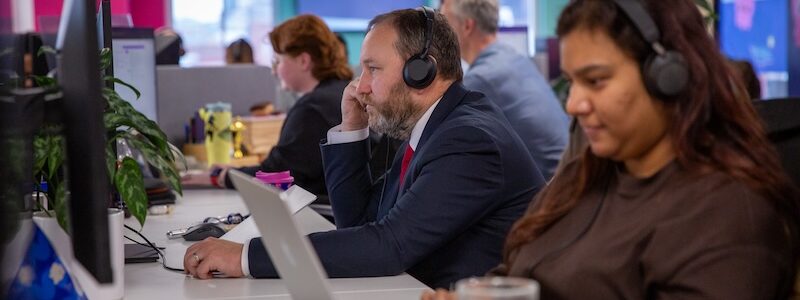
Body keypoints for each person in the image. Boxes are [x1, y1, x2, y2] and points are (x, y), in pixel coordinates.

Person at [424, 0, 800, 299]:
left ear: (668, 76)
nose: (573, 104)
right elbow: (516, 272)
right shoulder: (583, 176)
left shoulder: (727, 213)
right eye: (572, 82)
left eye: (596, 81)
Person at [183, 7, 544, 289]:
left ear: (421, 72)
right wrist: (352, 129)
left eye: (373, 69)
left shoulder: (469, 141)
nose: (360, 88)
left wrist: (245, 257)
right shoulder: (434, 126)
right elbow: (358, 223)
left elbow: (389, 247)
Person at [181, 15, 352, 202]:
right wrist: (234, 171)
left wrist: (220, 177)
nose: (273, 71)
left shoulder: (312, 109)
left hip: (319, 216)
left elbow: (277, 176)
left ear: (303, 61)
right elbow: (286, 165)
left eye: (278, 61)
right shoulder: (340, 92)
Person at [440, 0, 569, 180]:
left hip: (551, 194)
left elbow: (439, 138)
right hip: (568, 178)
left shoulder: (481, 79)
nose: (440, 34)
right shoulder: (514, 59)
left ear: (467, 26)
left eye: (445, 23)